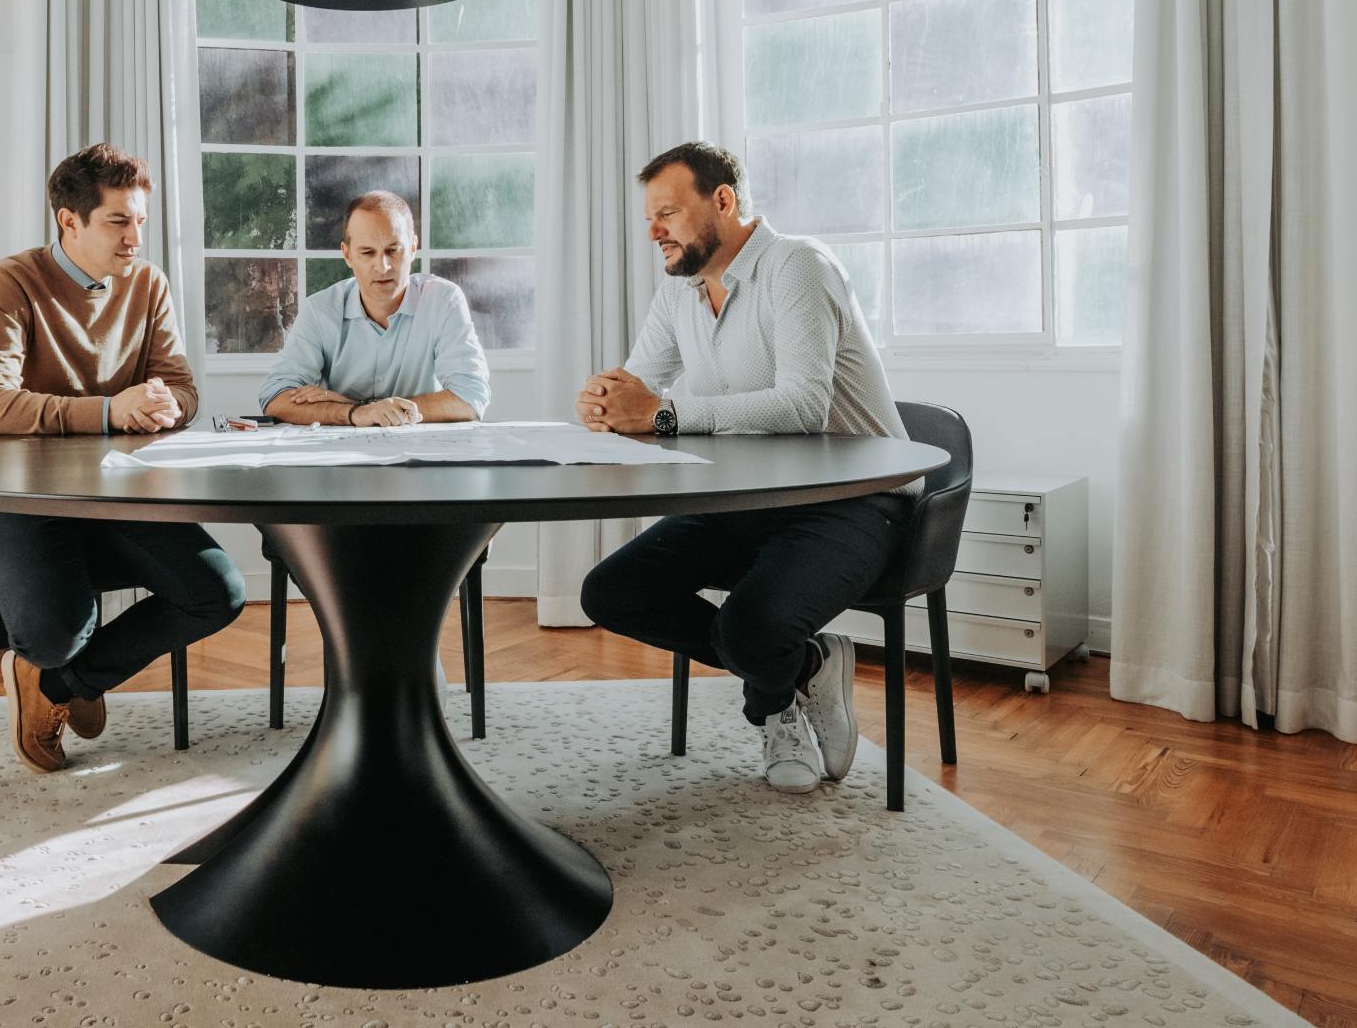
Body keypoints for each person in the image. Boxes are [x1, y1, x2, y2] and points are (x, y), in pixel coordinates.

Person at [574, 141, 913, 794]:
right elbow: (639, 385)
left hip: (857, 500)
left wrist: (662, 415)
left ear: (722, 201)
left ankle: (771, 694)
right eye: (650, 217)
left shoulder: (798, 267)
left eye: (667, 213)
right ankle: (804, 669)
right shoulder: (681, 292)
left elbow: (803, 404)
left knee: (749, 624)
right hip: (748, 502)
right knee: (609, 592)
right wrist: (607, 401)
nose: (654, 232)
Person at [0, 143, 245, 773]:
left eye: (140, 220)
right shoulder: (13, 282)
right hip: (22, 500)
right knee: (57, 635)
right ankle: (59, 665)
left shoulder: (147, 285)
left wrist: (166, 405)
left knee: (218, 594)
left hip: (119, 495)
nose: (134, 238)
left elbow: (182, 385)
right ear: (70, 220)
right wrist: (110, 411)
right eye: (119, 222)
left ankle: (63, 686)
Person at [256, 191, 490, 426]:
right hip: (341, 455)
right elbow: (275, 398)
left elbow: (470, 397)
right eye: (367, 252)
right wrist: (356, 413)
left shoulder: (444, 300)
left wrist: (363, 407)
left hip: (423, 452)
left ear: (413, 248)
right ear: (347, 255)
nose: (383, 266)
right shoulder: (320, 310)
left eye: (393, 250)